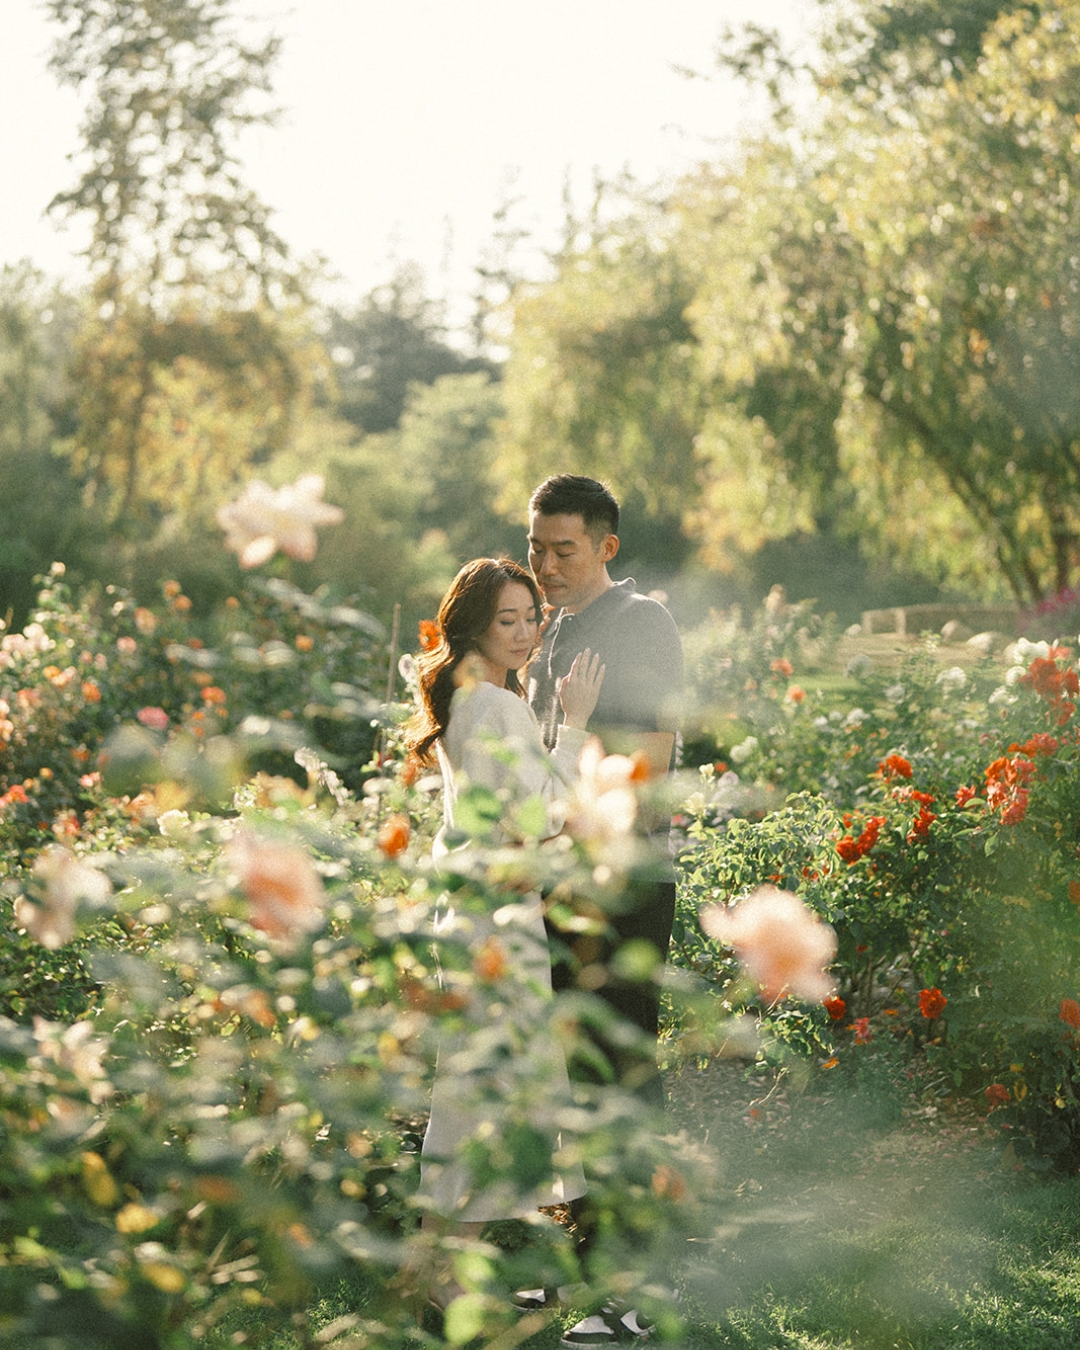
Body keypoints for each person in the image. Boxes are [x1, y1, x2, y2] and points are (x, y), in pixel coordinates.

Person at [402, 556, 605, 1315]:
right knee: (490, 1099)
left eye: (530, 618)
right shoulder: (498, 706)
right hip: (498, 923)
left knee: (471, 1096)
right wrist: (575, 725)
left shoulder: (467, 701)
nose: (523, 634)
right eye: (506, 621)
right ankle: (439, 1280)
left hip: (470, 915)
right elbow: (545, 813)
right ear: (474, 629)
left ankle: (436, 1277)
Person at [526, 475, 684, 1348]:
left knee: (620, 1080)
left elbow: (651, 763)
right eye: (536, 548)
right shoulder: (552, 628)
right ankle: (593, 1265)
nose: (546, 565)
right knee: (573, 1080)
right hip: (558, 879)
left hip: (622, 882)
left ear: (606, 547)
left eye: (565, 550)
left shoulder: (640, 624)